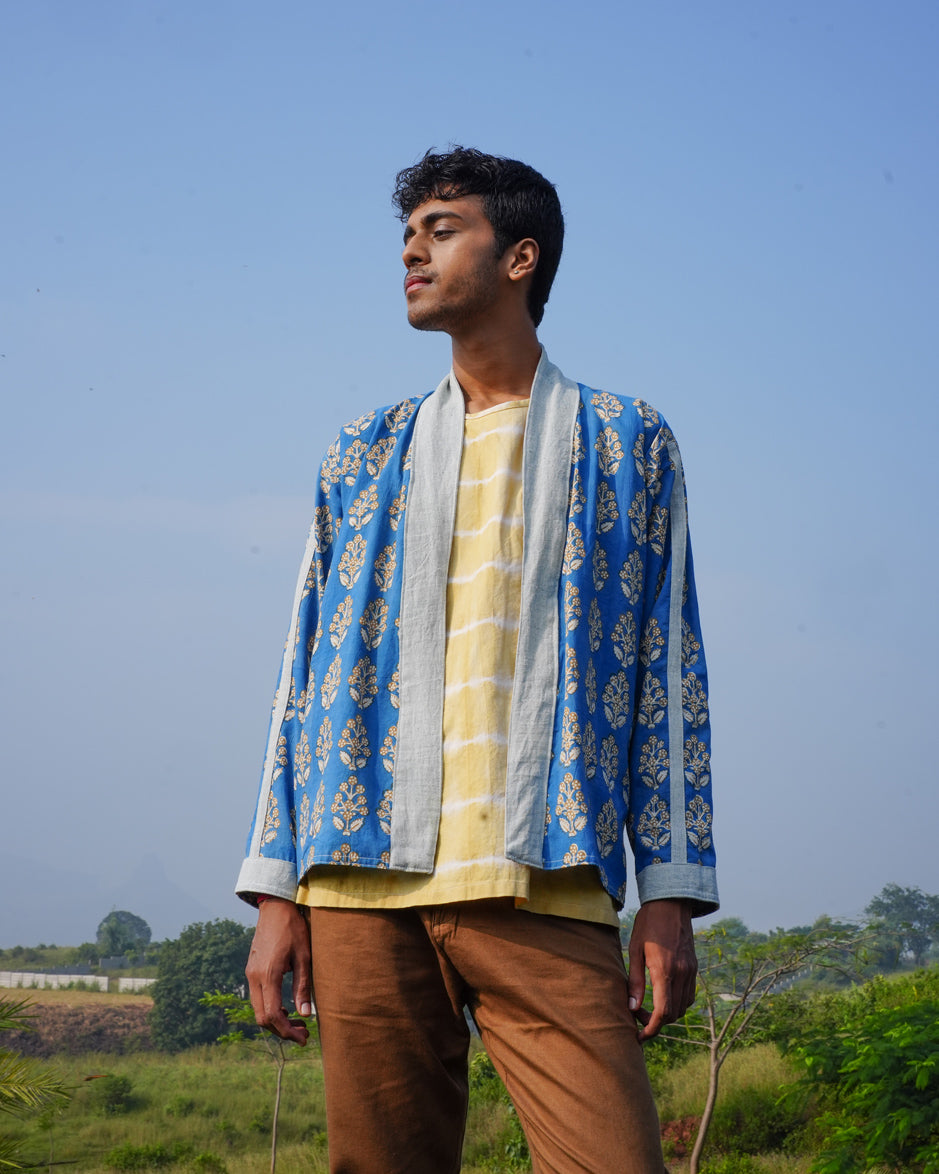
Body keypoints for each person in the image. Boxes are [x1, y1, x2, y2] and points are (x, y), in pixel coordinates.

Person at [237, 146, 718, 1173]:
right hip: (362, 887)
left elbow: (667, 669)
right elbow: (304, 679)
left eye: (441, 228)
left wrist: (671, 888)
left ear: (519, 257)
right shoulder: (363, 451)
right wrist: (278, 890)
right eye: (407, 234)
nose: (411, 249)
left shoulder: (627, 442)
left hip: (544, 877)